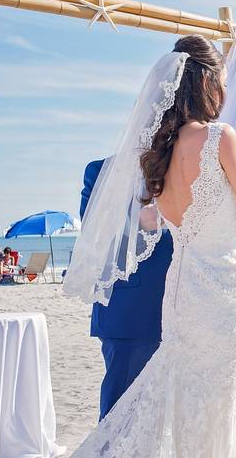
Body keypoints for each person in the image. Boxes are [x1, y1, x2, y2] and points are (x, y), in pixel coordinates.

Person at [66, 35, 236, 457]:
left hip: (182, 292)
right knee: (217, 398)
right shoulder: (218, 137)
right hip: (222, 292)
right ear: (206, 83)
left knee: (189, 395)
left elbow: (197, 227)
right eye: (223, 82)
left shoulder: (161, 155)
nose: (226, 92)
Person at [80, 157, 175, 420]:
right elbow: (92, 231)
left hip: (181, 302)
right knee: (119, 410)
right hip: (128, 308)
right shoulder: (101, 170)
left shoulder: (184, 165)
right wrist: (135, 218)